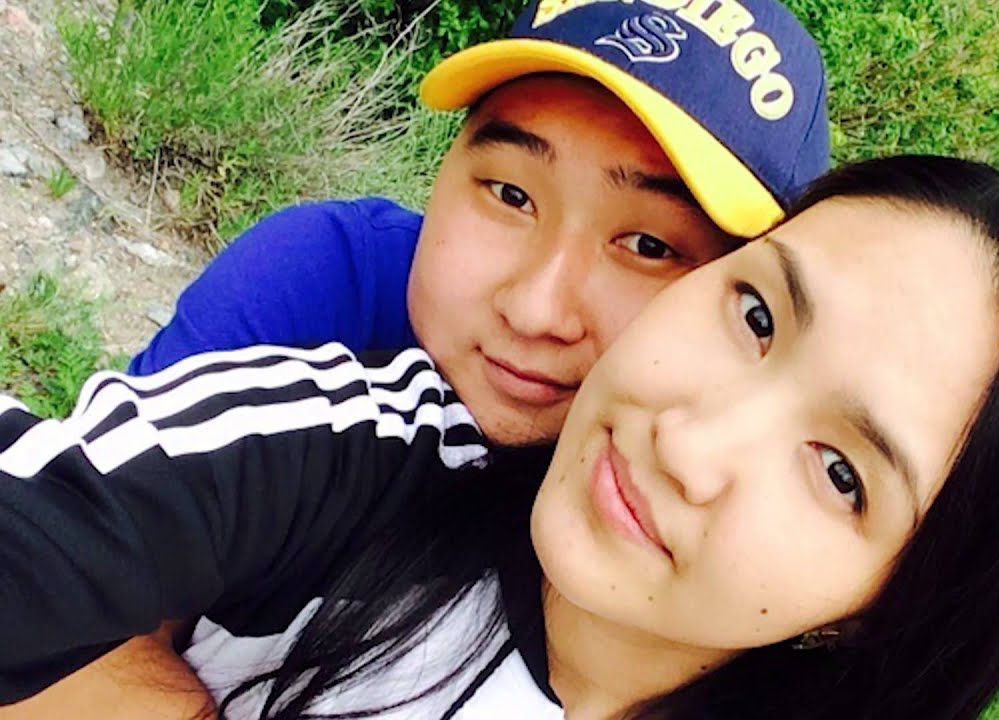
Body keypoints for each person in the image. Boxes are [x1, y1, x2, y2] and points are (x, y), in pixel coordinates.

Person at [0, 156, 999, 719]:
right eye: (755, 316)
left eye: (839, 472)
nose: (688, 447)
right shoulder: (361, 454)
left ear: (887, 603)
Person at [0, 2, 830, 716]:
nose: (536, 309)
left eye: (648, 246)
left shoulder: (727, 545)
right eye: (511, 194)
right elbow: (82, 596)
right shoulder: (328, 287)